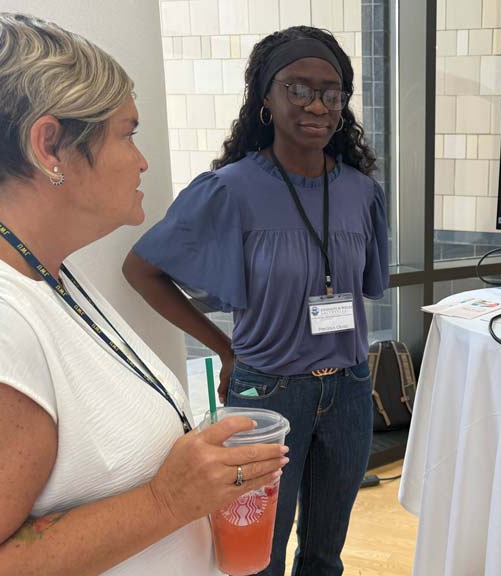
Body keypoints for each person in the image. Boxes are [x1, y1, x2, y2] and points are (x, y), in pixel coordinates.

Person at [0, 14, 288, 576]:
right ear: (49, 145)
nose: (143, 160)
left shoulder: (39, 266)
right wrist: (167, 502)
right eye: (127, 134)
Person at [123, 26, 388, 576]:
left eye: (331, 92)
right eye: (297, 88)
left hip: (350, 390)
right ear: (265, 97)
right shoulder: (231, 190)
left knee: (325, 554)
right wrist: (223, 348)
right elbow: (142, 270)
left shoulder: (363, 192)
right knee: (256, 557)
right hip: (268, 394)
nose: (317, 104)